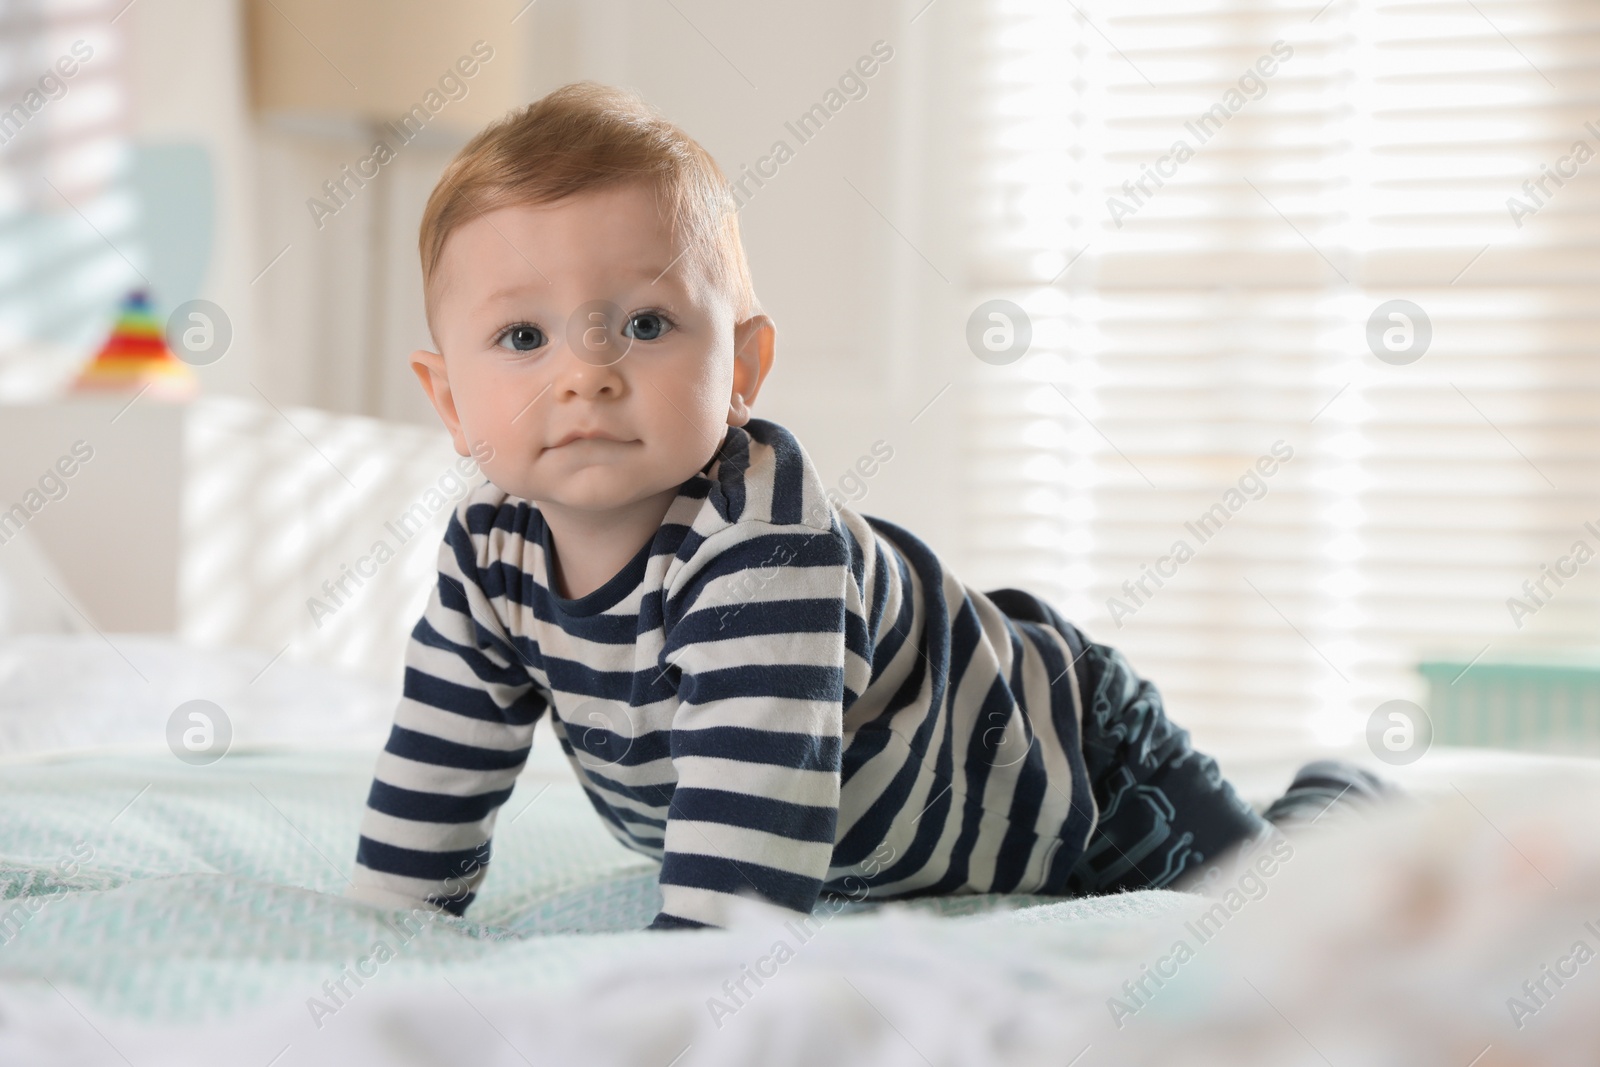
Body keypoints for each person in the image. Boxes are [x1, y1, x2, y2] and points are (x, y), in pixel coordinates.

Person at [347, 82, 1391, 931]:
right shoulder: (490, 556)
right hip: (892, 838)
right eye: (523, 338)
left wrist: (680, 986)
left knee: (1284, 912)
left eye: (647, 321)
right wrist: (389, 924)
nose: (588, 372)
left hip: (1071, 772)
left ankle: (1341, 801)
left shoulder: (758, 542)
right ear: (446, 397)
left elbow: (736, 878)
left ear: (743, 365)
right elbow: (442, 759)